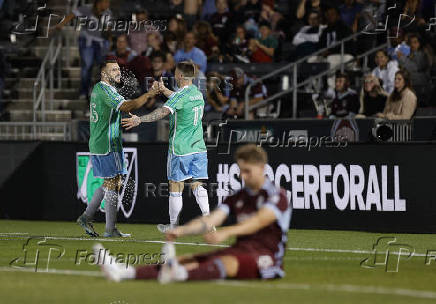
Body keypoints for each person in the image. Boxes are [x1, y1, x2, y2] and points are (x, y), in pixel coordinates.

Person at [94, 144, 292, 283]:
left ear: (262, 168)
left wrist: (225, 232)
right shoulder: (238, 196)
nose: (243, 176)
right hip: (241, 249)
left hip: (267, 258)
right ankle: (124, 273)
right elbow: (212, 219)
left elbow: (259, 221)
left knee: (226, 263)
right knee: (187, 259)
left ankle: (181, 276)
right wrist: (182, 231)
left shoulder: (277, 195)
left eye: (247, 171)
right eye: (241, 170)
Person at [121, 61, 211, 233]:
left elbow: (161, 113)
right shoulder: (197, 93)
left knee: (175, 185)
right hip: (198, 147)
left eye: (176, 73)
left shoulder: (180, 95)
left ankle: (173, 226)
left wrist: (140, 119)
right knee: (197, 184)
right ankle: (208, 221)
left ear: (181, 76)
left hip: (180, 148)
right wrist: (163, 90)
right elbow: (179, 99)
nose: (175, 76)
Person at [76, 59, 159, 237]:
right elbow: (127, 106)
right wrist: (149, 94)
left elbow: (121, 107)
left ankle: (98, 222)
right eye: (113, 69)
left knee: (112, 182)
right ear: (103, 74)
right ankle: (100, 223)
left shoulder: (106, 89)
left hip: (103, 142)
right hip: (106, 144)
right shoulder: (104, 89)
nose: (118, 72)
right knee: (113, 183)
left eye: (118, 69)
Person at [55, 0, 113, 100]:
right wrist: (61, 24)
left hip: (100, 42)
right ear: (99, 2)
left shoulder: (108, 12)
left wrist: (109, 39)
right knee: (87, 65)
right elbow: (73, 14)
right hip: (87, 42)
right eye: (106, 2)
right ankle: (83, 91)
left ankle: (98, 91)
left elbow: (108, 29)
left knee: (102, 67)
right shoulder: (87, 8)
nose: (108, 5)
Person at [397, 33, 431, 106]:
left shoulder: (422, 54)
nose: (412, 45)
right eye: (411, 43)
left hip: (420, 85)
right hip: (411, 84)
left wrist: (402, 58)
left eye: (415, 42)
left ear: (419, 43)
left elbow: (415, 68)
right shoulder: (409, 55)